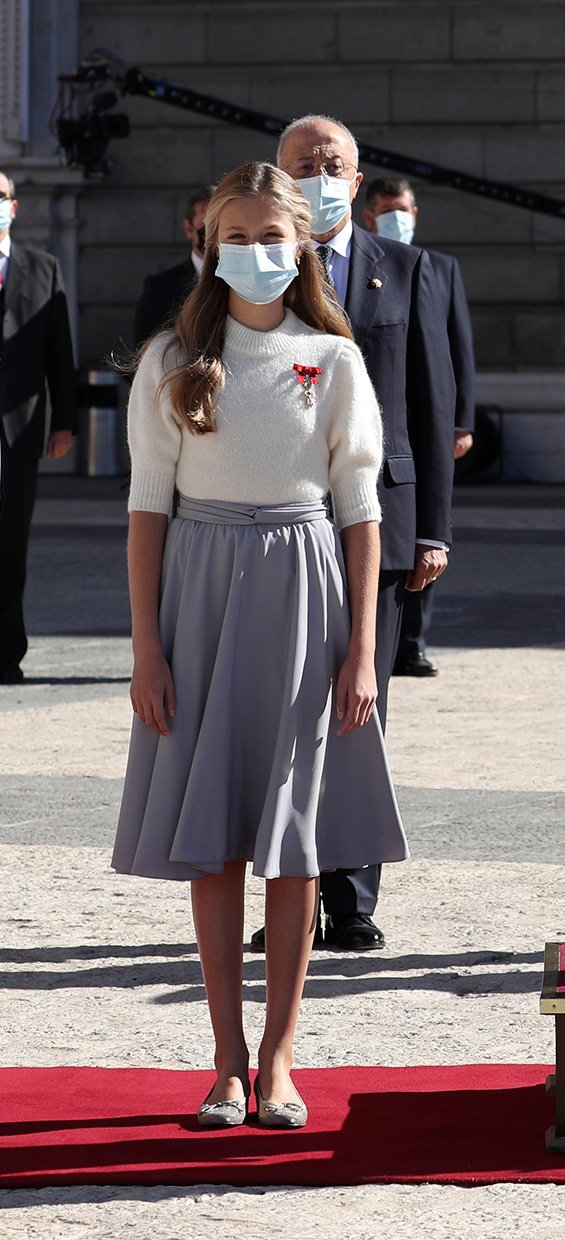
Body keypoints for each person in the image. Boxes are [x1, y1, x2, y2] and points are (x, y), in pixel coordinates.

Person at [111, 161, 408, 1129]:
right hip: (197, 592)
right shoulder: (167, 358)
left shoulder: (335, 359)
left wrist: (362, 650)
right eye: (235, 237)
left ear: (303, 243)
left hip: (302, 586)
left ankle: (280, 1060)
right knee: (214, 842)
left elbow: (360, 508)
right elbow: (147, 506)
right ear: (207, 245)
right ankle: (225, 1062)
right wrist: (146, 651)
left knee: (292, 840)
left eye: (271, 236)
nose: (255, 253)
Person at [251, 113, 455, 952]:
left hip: (382, 515)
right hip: (277, 519)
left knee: (357, 704)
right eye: (302, 163)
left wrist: (434, 530)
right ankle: (287, 892)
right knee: (278, 707)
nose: (318, 173)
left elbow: (433, 407)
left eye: (331, 162)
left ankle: (352, 897)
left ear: (358, 177)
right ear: (278, 174)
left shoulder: (410, 272)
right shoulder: (257, 271)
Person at [363, 176, 475, 678]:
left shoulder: (434, 266)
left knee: (417, 541)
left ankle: (414, 641)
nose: (397, 216)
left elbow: (453, 354)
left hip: (416, 427)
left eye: (403, 208)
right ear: (371, 213)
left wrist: (460, 421)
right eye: (387, 209)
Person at [0, 170, 77, 684]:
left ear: (15, 205)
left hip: (18, 430)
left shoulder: (41, 268)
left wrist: (65, 422)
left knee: (9, 544)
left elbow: (59, 352)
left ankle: (6, 652)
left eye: (0, 195)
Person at [134, 185, 216, 346]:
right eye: (204, 227)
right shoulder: (160, 287)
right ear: (188, 228)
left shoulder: (243, 278)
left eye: (218, 226)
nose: (212, 235)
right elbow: (143, 351)